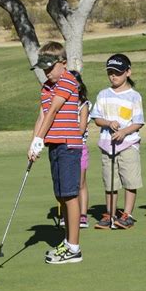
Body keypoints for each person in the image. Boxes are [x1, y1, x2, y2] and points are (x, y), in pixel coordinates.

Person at [28, 41, 83, 264]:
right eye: (44, 68)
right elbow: (42, 115)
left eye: (50, 68)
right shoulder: (46, 88)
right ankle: (68, 241)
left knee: (70, 195)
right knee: (61, 195)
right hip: (54, 145)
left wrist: (40, 138)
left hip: (69, 145)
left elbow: (53, 111)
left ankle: (74, 248)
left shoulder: (68, 80)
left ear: (63, 63)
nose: (47, 72)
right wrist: (34, 142)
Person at [91, 54, 144, 229]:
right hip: (108, 145)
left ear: (128, 72)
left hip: (128, 144)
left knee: (130, 180)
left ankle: (127, 215)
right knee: (110, 182)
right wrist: (108, 123)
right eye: (110, 72)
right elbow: (97, 118)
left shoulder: (134, 96)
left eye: (118, 73)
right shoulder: (103, 94)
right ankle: (110, 214)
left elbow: (138, 122)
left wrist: (123, 132)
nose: (114, 76)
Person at [60, 70, 91, 229]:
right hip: (64, 147)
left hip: (79, 147)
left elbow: (81, 129)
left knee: (80, 183)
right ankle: (68, 215)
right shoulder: (62, 103)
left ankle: (83, 215)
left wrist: (65, 131)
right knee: (66, 183)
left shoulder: (83, 105)